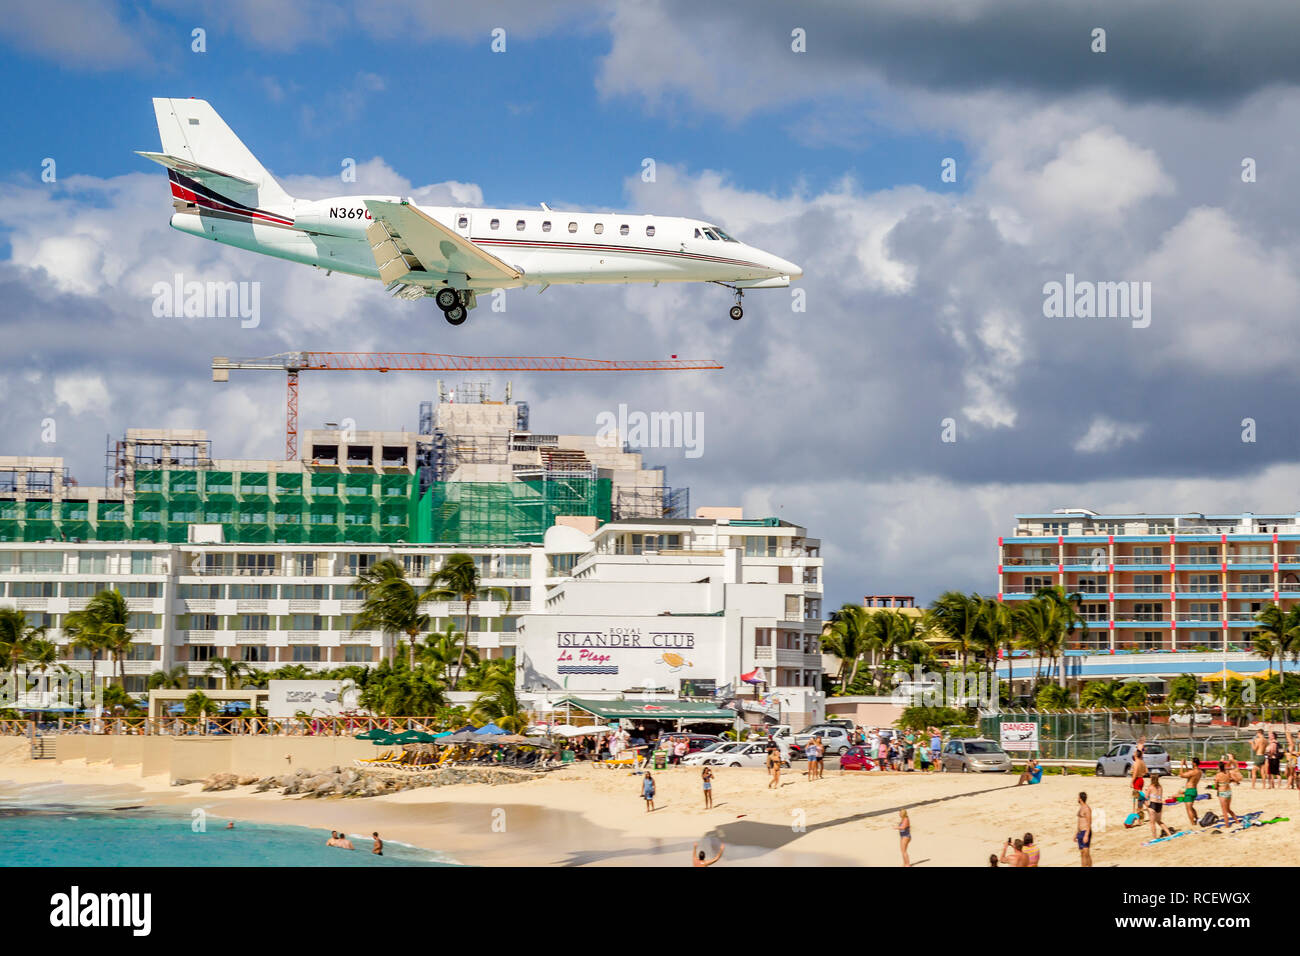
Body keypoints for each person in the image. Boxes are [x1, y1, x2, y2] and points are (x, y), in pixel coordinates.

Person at [1178, 759, 1203, 827]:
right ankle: (1197, 818)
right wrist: (1185, 765)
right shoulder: (1199, 771)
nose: (1191, 763)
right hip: (1194, 790)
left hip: (1189, 790)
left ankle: (1193, 823)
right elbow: (1189, 773)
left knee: (1188, 809)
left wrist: (1181, 765)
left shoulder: (1193, 772)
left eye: (1192, 762)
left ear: (1194, 763)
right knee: (1191, 807)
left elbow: (1181, 775)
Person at [1147, 773, 1172, 839]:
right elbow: (1159, 796)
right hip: (1159, 804)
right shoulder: (1160, 787)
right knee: (1159, 821)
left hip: (1153, 804)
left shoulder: (1150, 787)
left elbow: (1146, 796)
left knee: (1152, 823)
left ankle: (1154, 838)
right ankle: (1169, 834)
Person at [1076, 792, 1093, 867]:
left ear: (1080, 799)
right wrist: (1076, 833)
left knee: (1086, 853)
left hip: (1085, 832)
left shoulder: (1086, 808)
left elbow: (1089, 822)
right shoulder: (1081, 808)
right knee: (1082, 853)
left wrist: (1086, 834)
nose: (1077, 799)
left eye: (1078, 797)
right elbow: (1079, 821)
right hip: (1080, 832)